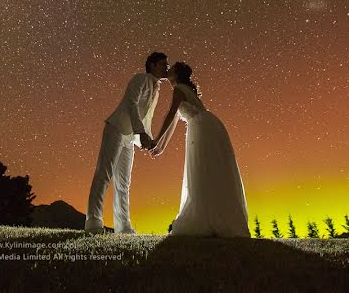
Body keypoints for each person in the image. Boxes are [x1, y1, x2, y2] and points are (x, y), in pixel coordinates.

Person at [151, 61, 250, 237]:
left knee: (202, 170)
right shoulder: (183, 89)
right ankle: (214, 217)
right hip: (208, 124)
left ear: (177, 74)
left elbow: (171, 114)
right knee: (209, 171)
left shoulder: (179, 89)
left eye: (171, 68)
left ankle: (208, 219)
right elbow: (174, 122)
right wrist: (162, 146)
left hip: (202, 127)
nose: (168, 69)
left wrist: (157, 139)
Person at [85, 52, 169, 234]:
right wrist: (141, 133)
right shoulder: (140, 79)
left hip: (130, 137)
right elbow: (131, 103)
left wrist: (146, 138)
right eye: (163, 64)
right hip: (116, 129)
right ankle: (93, 222)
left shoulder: (156, 88)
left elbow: (147, 116)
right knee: (104, 174)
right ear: (153, 65)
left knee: (124, 182)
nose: (166, 67)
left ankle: (123, 226)